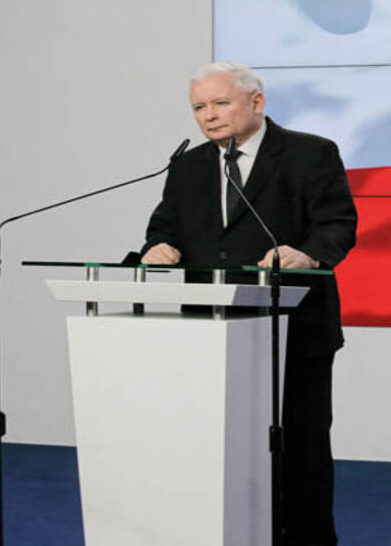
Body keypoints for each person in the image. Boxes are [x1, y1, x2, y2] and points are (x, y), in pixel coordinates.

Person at [142, 62, 357, 546]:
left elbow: (337, 224)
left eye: (220, 103)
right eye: (199, 107)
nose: (208, 116)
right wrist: (160, 247)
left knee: (299, 449)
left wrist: (306, 254)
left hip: (291, 330)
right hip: (210, 331)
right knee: (220, 449)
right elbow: (165, 225)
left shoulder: (310, 154)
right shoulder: (188, 165)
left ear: (256, 103)